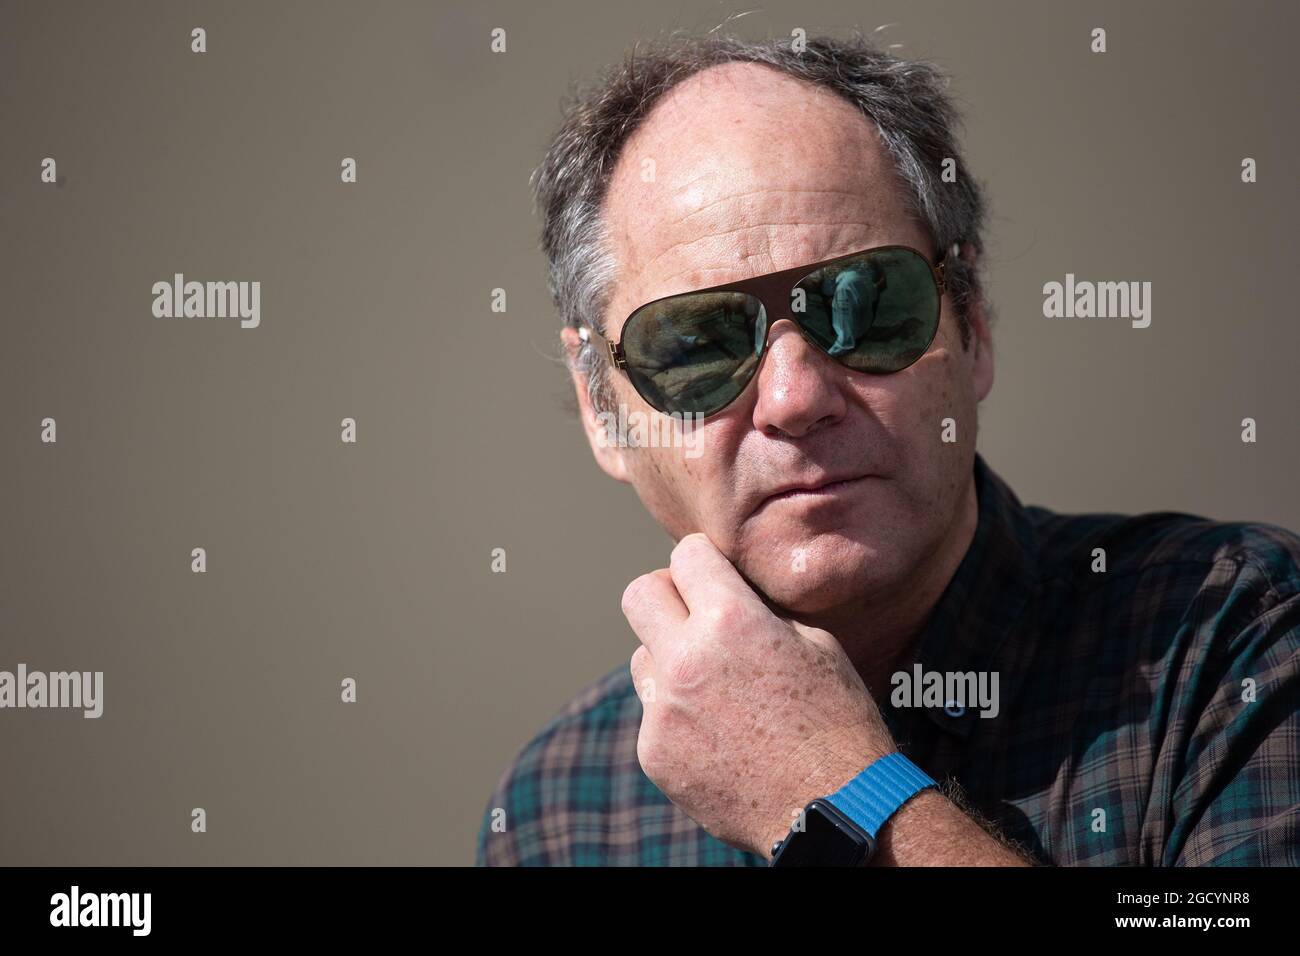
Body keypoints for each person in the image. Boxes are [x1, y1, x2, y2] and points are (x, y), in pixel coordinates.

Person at [476, 33, 1300, 866]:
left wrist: (827, 783)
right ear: (602, 410)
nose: (795, 398)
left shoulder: (1234, 644)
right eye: (697, 343)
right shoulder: (562, 811)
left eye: (862, 303)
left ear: (973, 327)